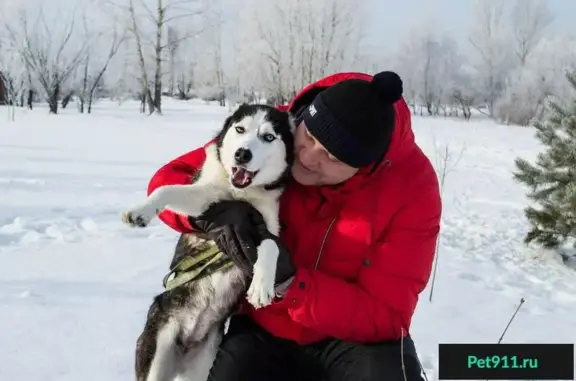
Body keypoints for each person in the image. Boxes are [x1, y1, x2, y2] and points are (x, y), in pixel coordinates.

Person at [147, 71, 442, 381]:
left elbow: (387, 313)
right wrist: (211, 214)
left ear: (362, 167)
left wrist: (292, 285)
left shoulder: (412, 189)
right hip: (263, 324)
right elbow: (169, 180)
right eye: (310, 137)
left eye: (331, 156)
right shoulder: (276, 130)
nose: (308, 157)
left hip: (352, 341)